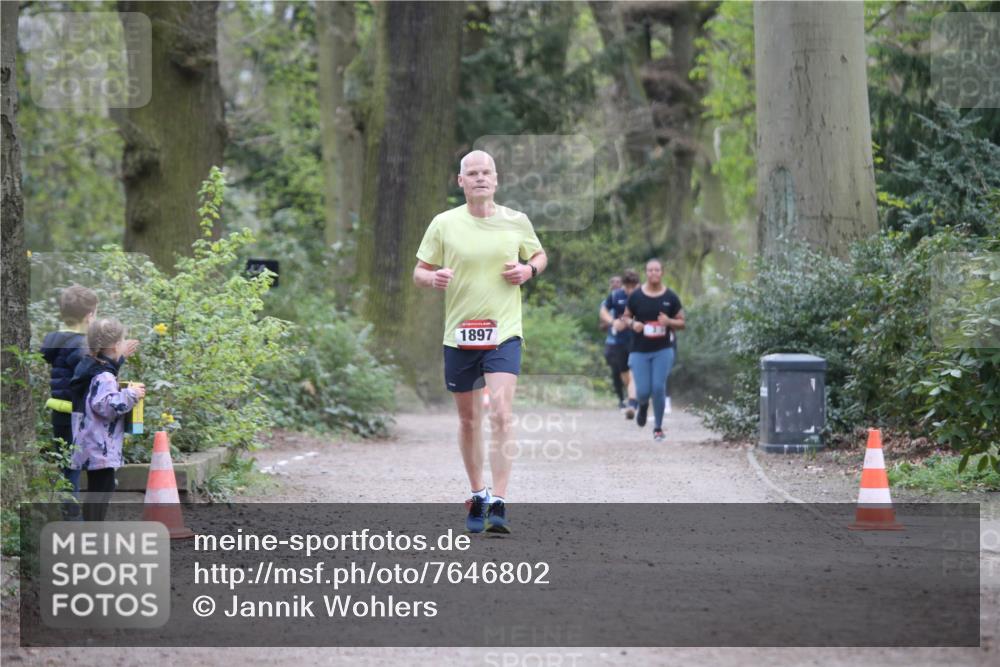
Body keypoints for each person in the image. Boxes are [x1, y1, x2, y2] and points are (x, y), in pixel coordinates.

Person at [413, 150, 547, 534]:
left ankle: (501, 501)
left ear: (496, 179)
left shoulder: (515, 221)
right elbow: (418, 272)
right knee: (469, 419)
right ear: (461, 182)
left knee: (501, 412)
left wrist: (528, 269)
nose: (480, 178)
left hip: (503, 332)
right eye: (472, 173)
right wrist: (432, 277)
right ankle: (478, 494)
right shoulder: (444, 224)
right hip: (459, 335)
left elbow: (539, 254)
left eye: (486, 172)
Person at [69, 318, 144, 521]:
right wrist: (131, 394)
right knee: (102, 490)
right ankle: (93, 534)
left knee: (98, 489)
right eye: (122, 340)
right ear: (114, 345)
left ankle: (92, 531)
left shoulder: (89, 366)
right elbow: (107, 406)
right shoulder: (104, 376)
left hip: (89, 440)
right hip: (100, 443)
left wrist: (120, 361)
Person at [40, 285, 99, 496]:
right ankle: (73, 521)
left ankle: (70, 516)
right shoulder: (80, 345)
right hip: (77, 414)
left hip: (60, 412)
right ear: (89, 316)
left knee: (68, 468)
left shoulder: (56, 341)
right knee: (78, 470)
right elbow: (90, 378)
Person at [624, 259, 685, 442]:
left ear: (662, 272)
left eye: (657, 270)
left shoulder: (671, 297)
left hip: (663, 350)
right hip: (639, 350)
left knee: (658, 387)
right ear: (646, 273)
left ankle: (658, 428)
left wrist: (669, 322)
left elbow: (682, 322)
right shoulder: (636, 296)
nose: (653, 273)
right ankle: (642, 406)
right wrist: (633, 324)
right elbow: (625, 317)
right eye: (650, 270)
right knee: (642, 391)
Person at [600, 269, 639, 417]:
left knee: (635, 370)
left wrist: (631, 322)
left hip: (637, 339)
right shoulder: (615, 296)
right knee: (623, 372)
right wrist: (613, 322)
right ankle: (631, 398)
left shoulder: (642, 294)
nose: (630, 290)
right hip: (619, 341)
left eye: (632, 287)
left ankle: (633, 402)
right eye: (627, 287)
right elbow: (603, 311)